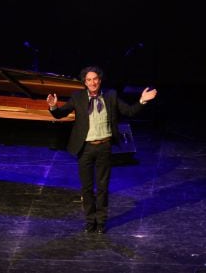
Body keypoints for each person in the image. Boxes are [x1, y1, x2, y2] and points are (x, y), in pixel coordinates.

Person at [46, 65, 157, 234]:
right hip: (85, 148)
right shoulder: (77, 97)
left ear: (100, 80)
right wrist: (53, 107)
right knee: (87, 188)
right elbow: (60, 114)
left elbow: (129, 111)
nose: (92, 82)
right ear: (85, 82)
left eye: (95, 79)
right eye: (89, 80)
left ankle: (101, 223)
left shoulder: (111, 95)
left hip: (104, 147)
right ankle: (90, 222)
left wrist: (142, 100)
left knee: (103, 187)